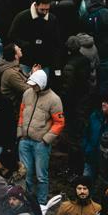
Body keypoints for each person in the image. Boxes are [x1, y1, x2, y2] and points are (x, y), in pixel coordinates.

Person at [17, 67, 64, 206]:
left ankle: (42, 204)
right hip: (25, 141)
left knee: (41, 176)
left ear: (42, 83)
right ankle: (28, 201)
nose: (32, 86)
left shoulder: (54, 99)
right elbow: (21, 114)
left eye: (34, 84)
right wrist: (20, 133)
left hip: (40, 144)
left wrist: (46, 139)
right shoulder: (27, 94)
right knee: (26, 174)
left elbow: (59, 122)